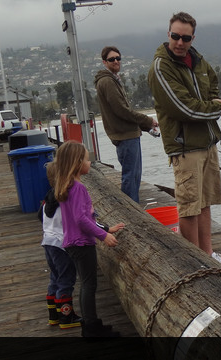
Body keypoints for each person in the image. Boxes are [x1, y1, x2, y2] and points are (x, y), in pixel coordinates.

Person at [148, 11, 221, 271]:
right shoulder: (161, 67)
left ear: (193, 38)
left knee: (204, 203)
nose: (180, 42)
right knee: (189, 207)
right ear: (168, 34)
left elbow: (212, 91)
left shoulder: (200, 62)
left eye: (185, 38)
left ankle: (208, 256)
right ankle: (196, 265)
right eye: (175, 36)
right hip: (185, 148)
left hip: (207, 144)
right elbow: (184, 108)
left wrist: (220, 103)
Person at [52, 140, 124, 337]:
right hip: (81, 243)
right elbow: (81, 219)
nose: (89, 162)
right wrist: (104, 235)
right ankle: (91, 328)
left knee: (86, 283)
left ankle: (92, 324)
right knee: (89, 285)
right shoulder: (78, 188)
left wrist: (108, 228)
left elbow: (85, 217)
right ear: (77, 163)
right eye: (86, 159)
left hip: (72, 242)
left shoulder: (67, 186)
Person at [94, 46, 158, 203]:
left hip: (129, 134)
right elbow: (121, 110)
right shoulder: (107, 81)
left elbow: (124, 111)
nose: (116, 61)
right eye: (111, 59)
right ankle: (132, 212)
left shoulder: (112, 80)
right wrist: (148, 121)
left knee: (134, 175)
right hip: (125, 136)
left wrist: (145, 127)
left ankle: (133, 208)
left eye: (118, 58)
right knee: (131, 176)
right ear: (104, 62)